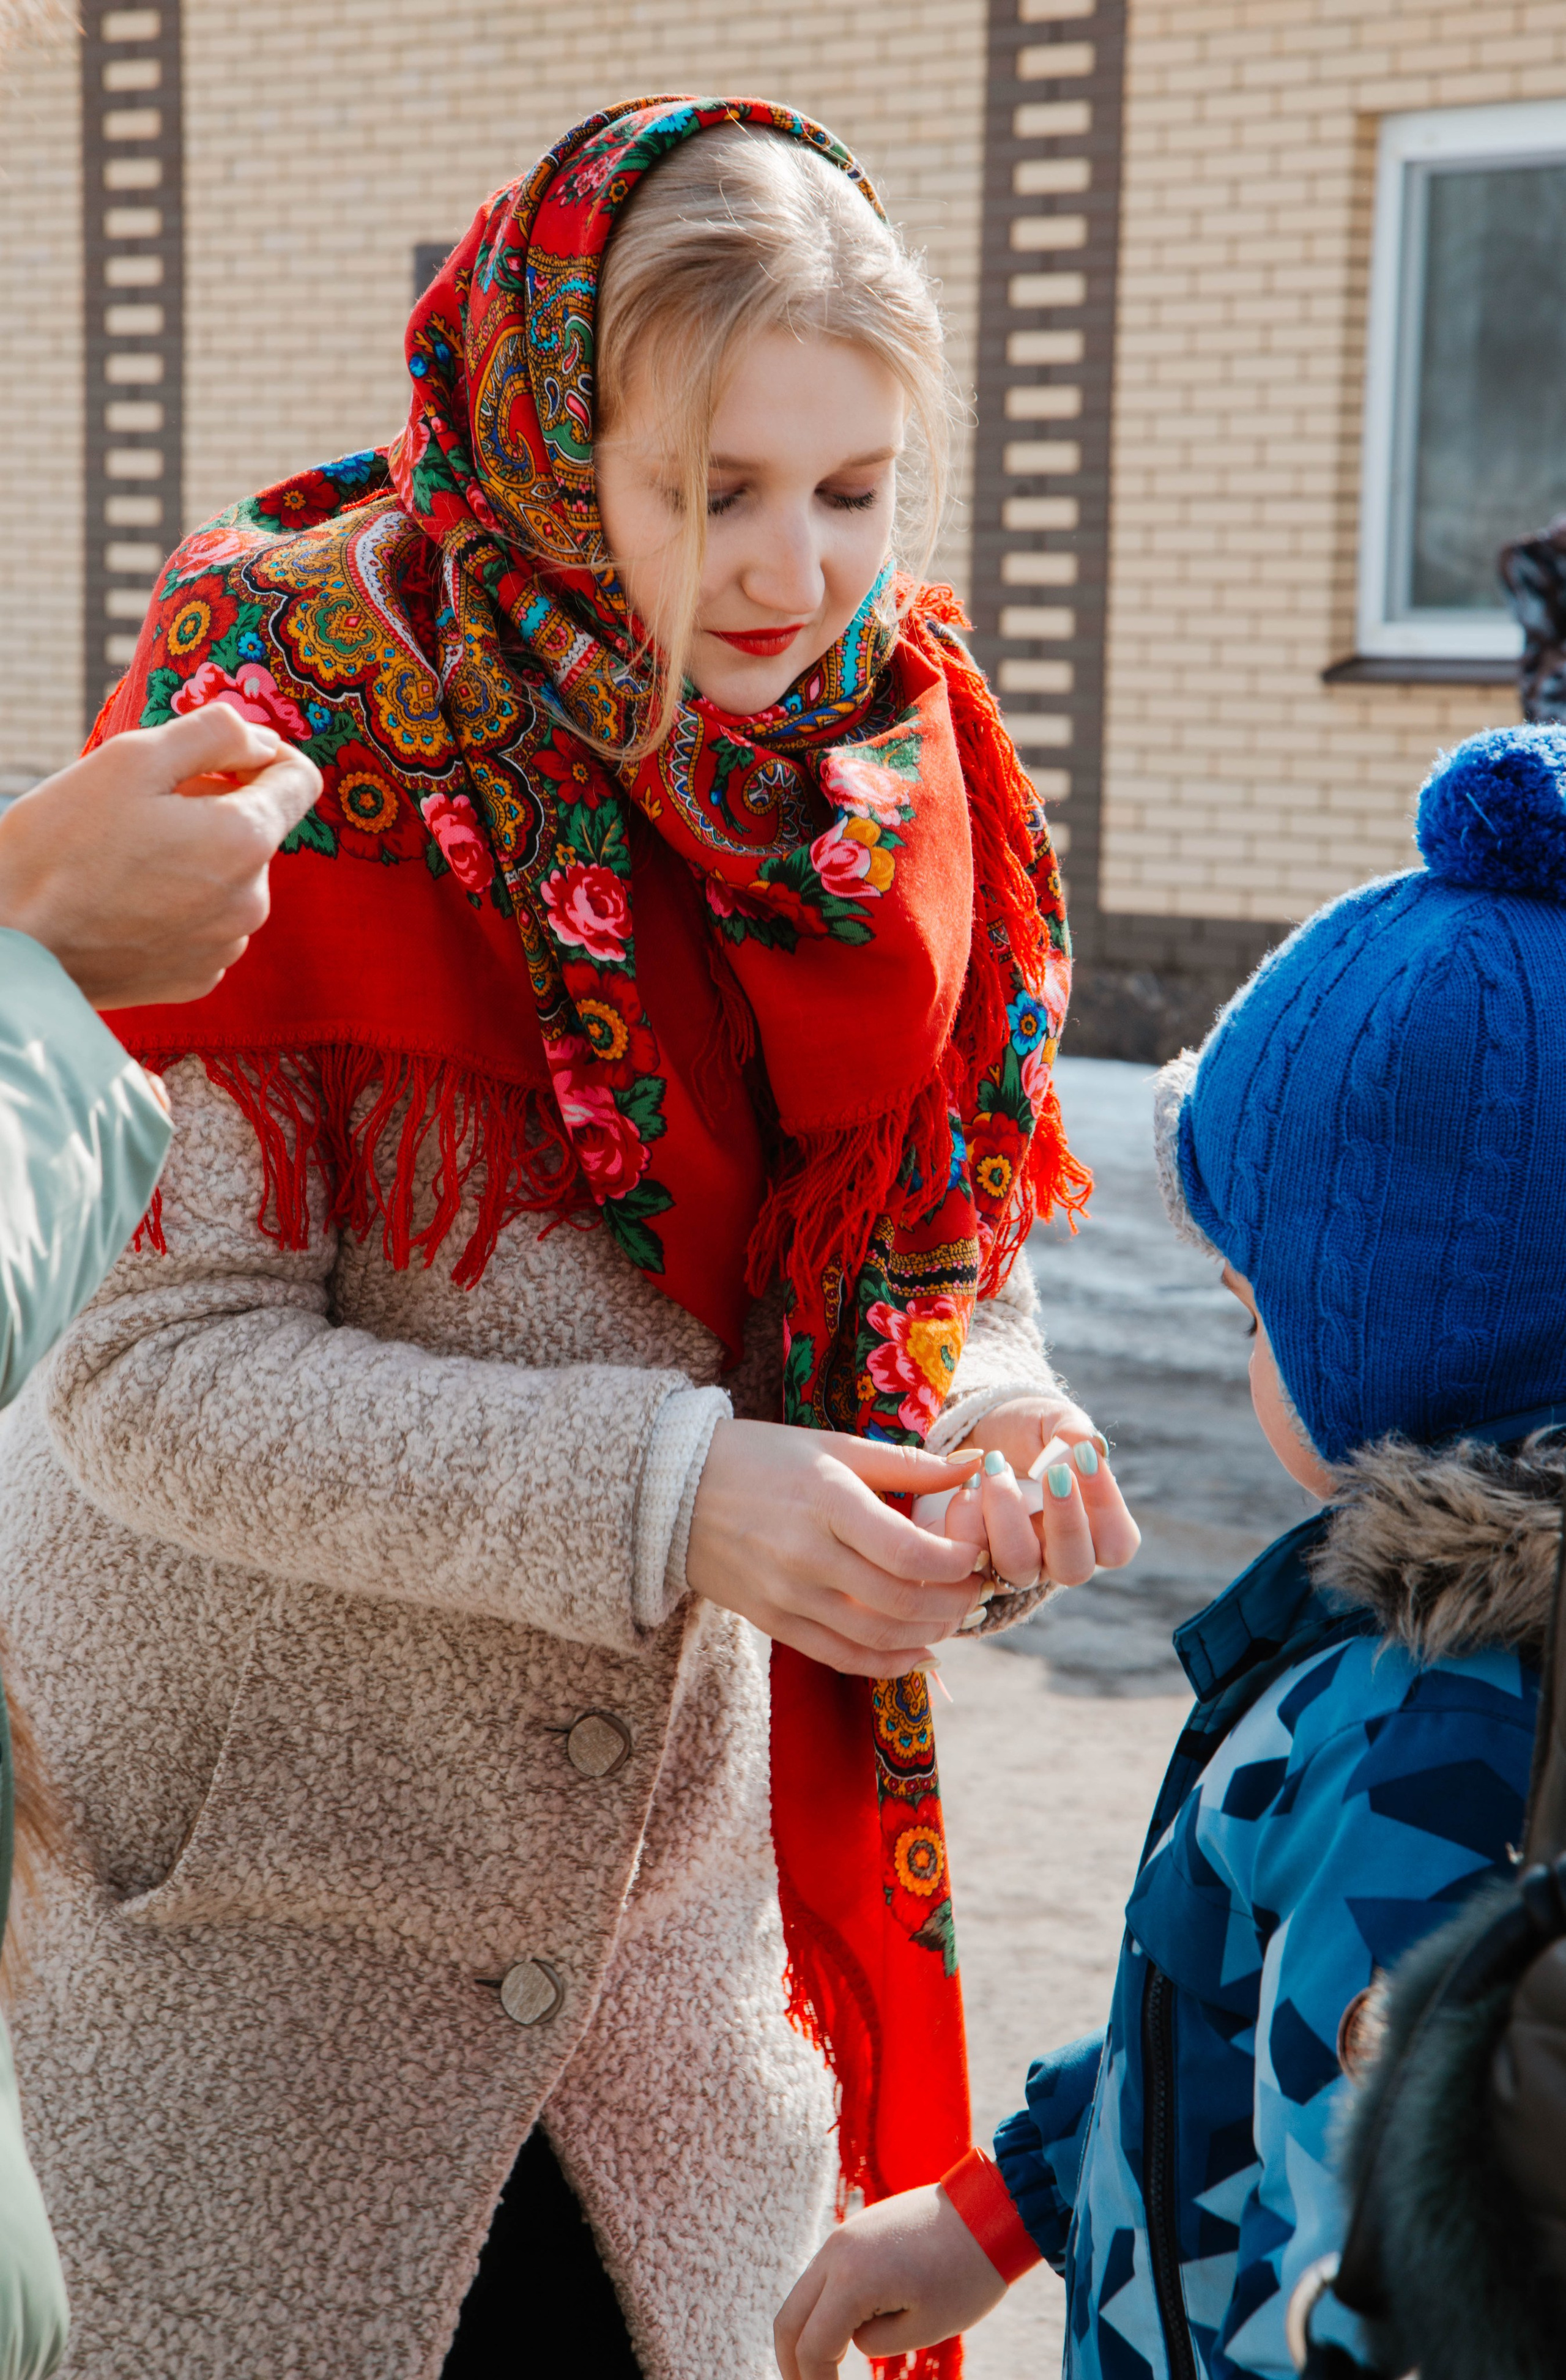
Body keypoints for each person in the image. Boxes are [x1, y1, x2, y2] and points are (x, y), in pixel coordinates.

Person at [0, 98, 1138, 2380]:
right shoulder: (284, 735)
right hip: (248, 1995)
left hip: (662, 2025)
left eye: (850, 488)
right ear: (544, 443)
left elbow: (929, 1255)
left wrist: (993, 1427)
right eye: (708, 489)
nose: (792, 574)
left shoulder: (897, 792)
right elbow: (141, 1372)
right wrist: (677, 1491)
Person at [776, 721, 1566, 2380]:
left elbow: (1359, 2285)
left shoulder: (1435, 1732)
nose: (1239, 1327)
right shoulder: (1431, 1673)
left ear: (1406, 1338)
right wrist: (997, 2207)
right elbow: (1227, 2009)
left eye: (1256, 1298)